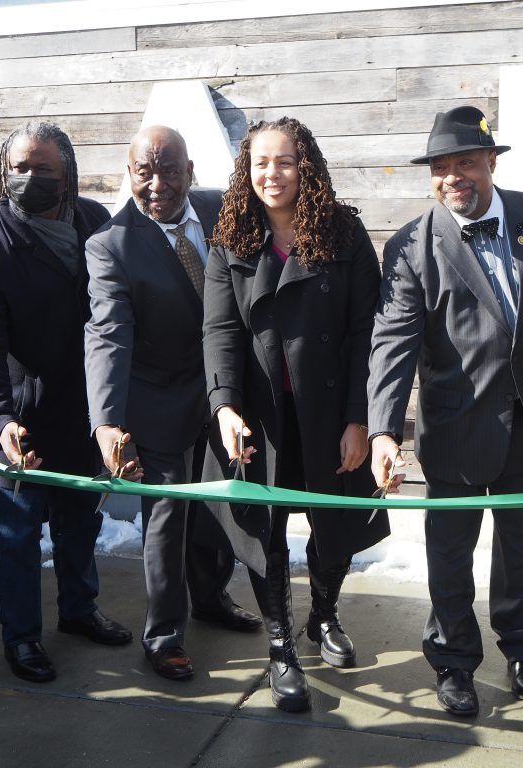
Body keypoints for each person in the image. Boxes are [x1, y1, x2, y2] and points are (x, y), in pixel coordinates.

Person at [367, 106, 523, 717]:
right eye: (440, 167)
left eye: (464, 162)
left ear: (491, 162)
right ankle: (453, 660)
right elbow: (393, 340)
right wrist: (384, 429)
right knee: (450, 552)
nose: (452, 176)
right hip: (456, 425)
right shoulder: (412, 242)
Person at [203, 116, 389, 712]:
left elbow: (368, 331)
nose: (272, 173)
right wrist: (224, 407)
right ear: (246, 170)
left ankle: (324, 617)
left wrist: (360, 418)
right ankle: (281, 645)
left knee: (335, 523)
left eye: (284, 161)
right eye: (261, 162)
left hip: (331, 413)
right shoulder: (231, 238)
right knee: (266, 532)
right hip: (260, 420)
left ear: (305, 165)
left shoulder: (344, 233)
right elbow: (219, 330)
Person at [0, 121, 132, 684]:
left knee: (80, 523)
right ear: (4, 173)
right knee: (18, 535)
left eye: (43, 169)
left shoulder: (95, 222)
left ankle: (79, 610)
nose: (29, 179)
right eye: (20, 168)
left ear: (68, 174)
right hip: (17, 418)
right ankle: (22, 636)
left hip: (83, 411)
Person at [83, 125, 261, 683]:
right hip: (156, 397)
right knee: (165, 519)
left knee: (220, 504)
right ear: (128, 173)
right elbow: (108, 333)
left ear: (190, 171)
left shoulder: (221, 211)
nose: (156, 184)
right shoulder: (110, 245)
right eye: (143, 171)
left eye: (168, 170)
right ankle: (163, 635)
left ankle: (210, 597)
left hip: (224, 393)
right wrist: (108, 421)